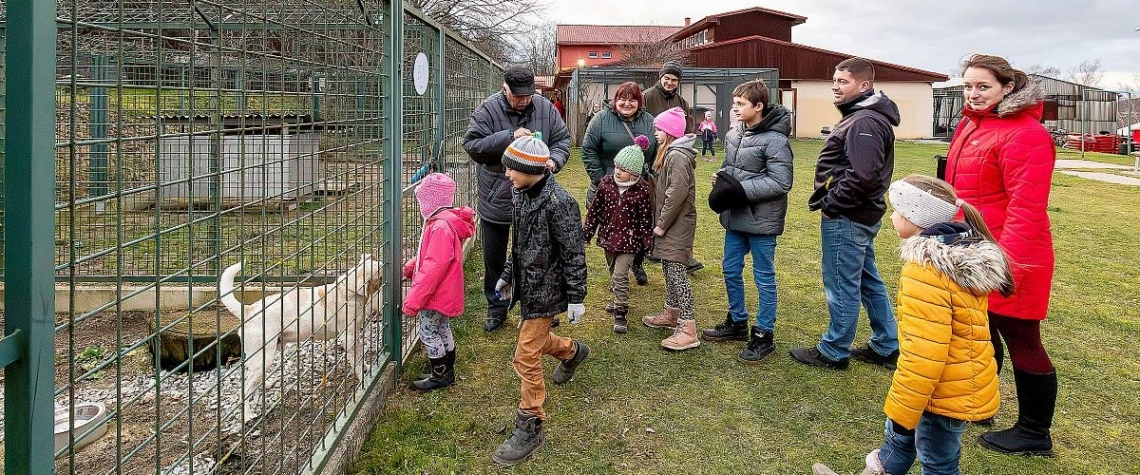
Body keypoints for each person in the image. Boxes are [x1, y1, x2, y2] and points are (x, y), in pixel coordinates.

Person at [812, 174, 1012, 475]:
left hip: (937, 394)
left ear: (915, 217)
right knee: (898, 446)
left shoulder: (926, 271)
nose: (892, 216)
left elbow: (924, 355)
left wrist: (904, 410)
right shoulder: (957, 254)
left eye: (898, 210)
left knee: (938, 463)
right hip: (951, 385)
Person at [944, 54, 1058, 457]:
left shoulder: (1025, 134)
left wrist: (1004, 265)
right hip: (973, 248)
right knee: (980, 330)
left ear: (1008, 88)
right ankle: (981, 404)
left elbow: (1026, 209)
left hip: (1013, 255)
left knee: (1022, 338)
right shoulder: (972, 124)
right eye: (968, 86)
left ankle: (1034, 432)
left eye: (983, 87)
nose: (973, 94)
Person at [791, 57, 900, 370]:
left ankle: (834, 349)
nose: (835, 87)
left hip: (849, 216)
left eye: (843, 82)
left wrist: (832, 202)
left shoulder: (865, 121)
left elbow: (863, 175)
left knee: (841, 283)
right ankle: (886, 344)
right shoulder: (864, 116)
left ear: (864, 85)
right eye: (834, 81)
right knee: (867, 280)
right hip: (860, 215)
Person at [490, 135, 589, 467]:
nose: (506, 175)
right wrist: (508, 273)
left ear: (529, 168)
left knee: (525, 354)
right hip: (528, 286)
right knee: (538, 342)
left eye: (510, 168)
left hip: (548, 290)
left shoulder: (560, 203)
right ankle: (573, 352)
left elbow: (574, 253)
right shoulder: (519, 193)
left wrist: (576, 297)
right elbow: (518, 242)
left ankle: (530, 423)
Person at [463, 66, 571, 333]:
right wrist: (509, 137)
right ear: (505, 89)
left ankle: (540, 308)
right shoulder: (488, 110)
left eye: (527, 96)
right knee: (495, 256)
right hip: (497, 193)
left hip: (537, 195)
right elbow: (473, 146)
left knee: (539, 254)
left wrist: (554, 161)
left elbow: (562, 140)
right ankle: (497, 306)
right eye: (517, 96)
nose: (523, 101)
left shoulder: (545, 108)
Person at [703, 80, 793, 363]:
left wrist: (740, 190)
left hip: (762, 221)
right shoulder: (733, 134)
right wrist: (722, 178)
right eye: (735, 103)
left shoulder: (777, 140)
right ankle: (737, 322)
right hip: (735, 217)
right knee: (730, 269)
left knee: (764, 277)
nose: (735, 108)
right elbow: (732, 168)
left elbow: (781, 182)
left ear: (759, 107)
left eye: (741, 104)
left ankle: (764, 334)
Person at [401, 173, 476, 391]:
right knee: (442, 326)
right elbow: (431, 255)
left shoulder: (439, 228)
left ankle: (440, 375)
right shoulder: (445, 222)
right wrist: (409, 267)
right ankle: (447, 367)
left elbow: (433, 268)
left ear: (431, 201)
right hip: (446, 291)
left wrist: (413, 300)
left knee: (428, 332)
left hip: (436, 293)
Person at [580, 81, 657, 286]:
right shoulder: (601, 119)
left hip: (640, 187)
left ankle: (637, 262)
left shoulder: (649, 120)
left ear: (639, 102)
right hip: (609, 186)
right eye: (623, 99)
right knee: (612, 228)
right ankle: (616, 274)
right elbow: (588, 150)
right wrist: (600, 178)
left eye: (633, 100)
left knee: (640, 225)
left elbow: (656, 150)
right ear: (615, 100)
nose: (627, 103)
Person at [640, 107, 700, 350]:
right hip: (671, 223)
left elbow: (677, 192)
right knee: (667, 265)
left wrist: (662, 224)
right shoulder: (671, 154)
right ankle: (672, 313)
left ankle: (688, 328)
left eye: (659, 129)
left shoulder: (677, 156)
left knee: (677, 272)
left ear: (670, 131)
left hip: (676, 224)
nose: (655, 133)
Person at [583, 145, 654, 334]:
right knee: (613, 270)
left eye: (623, 169)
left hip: (630, 241)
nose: (618, 171)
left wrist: (647, 241)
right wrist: (587, 233)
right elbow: (594, 212)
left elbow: (646, 218)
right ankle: (617, 301)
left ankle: (621, 312)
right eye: (616, 166)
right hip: (609, 237)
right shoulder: (606, 184)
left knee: (620, 275)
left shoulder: (642, 191)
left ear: (634, 174)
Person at [642, 61, 703, 274]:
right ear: (661, 78)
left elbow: (687, 129)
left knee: (674, 200)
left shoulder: (682, 102)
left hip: (673, 155)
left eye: (674, 79)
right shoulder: (647, 96)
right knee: (654, 203)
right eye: (666, 78)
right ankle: (651, 249)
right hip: (652, 155)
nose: (669, 82)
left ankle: (680, 253)